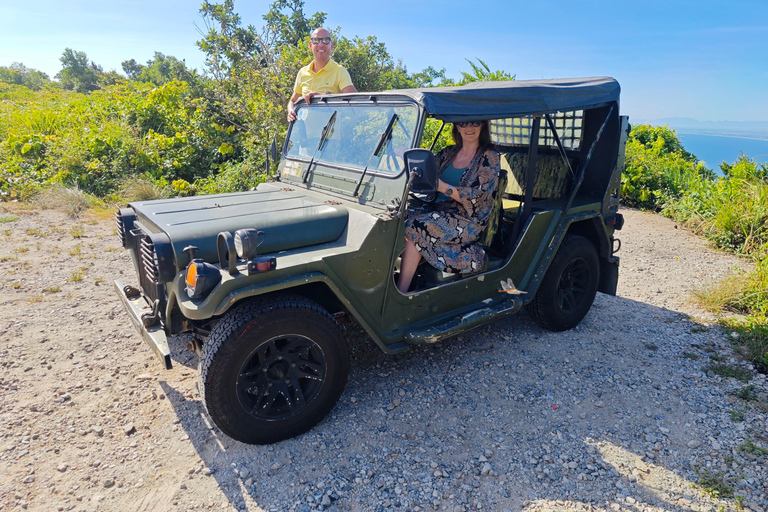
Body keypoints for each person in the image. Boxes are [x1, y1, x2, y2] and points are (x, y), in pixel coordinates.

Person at [396, 120, 501, 293]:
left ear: (482, 126)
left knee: (415, 226)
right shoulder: (449, 152)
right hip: (436, 209)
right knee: (396, 218)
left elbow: (479, 197)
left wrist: (443, 187)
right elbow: (426, 173)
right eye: (463, 123)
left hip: (467, 219)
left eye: (475, 123)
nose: (469, 128)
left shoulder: (489, 157)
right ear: (457, 127)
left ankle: (401, 290)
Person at [287, 27, 357, 123]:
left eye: (325, 40)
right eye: (316, 40)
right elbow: (293, 101)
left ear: (331, 45)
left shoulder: (339, 71)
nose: (320, 44)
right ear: (310, 45)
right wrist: (290, 111)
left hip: (330, 137)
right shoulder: (302, 72)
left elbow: (355, 101)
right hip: (301, 137)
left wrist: (322, 97)